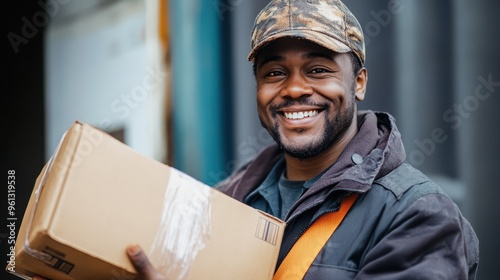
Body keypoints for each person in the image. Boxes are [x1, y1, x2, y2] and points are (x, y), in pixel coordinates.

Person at [35, 0, 479, 279]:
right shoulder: (227, 201)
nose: (293, 89)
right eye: (274, 73)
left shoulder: (418, 216)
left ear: (359, 81)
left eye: (319, 69)